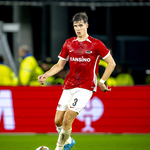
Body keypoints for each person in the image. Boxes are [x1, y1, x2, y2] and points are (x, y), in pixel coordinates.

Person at [38, 12, 116, 150]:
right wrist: (46, 74)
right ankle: (68, 141)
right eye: (75, 26)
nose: (78, 28)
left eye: (80, 25)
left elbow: (111, 63)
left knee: (68, 119)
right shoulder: (69, 43)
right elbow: (60, 65)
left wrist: (102, 81)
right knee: (58, 121)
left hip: (85, 87)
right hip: (69, 86)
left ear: (87, 25)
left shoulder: (96, 44)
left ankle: (59, 148)